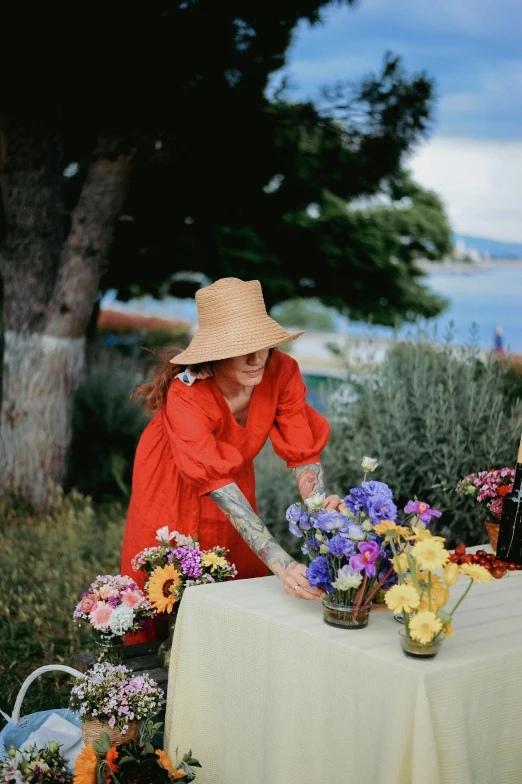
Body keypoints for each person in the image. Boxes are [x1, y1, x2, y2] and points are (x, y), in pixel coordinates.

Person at [121, 277, 340, 635]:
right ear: (216, 352)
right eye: (243, 349)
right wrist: (283, 563)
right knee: (161, 575)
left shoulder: (281, 371)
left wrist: (323, 519)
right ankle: (149, 672)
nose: (257, 359)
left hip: (230, 474)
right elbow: (215, 480)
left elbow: (303, 453)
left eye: (263, 345)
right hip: (169, 476)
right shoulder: (187, 394)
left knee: (235, 565)